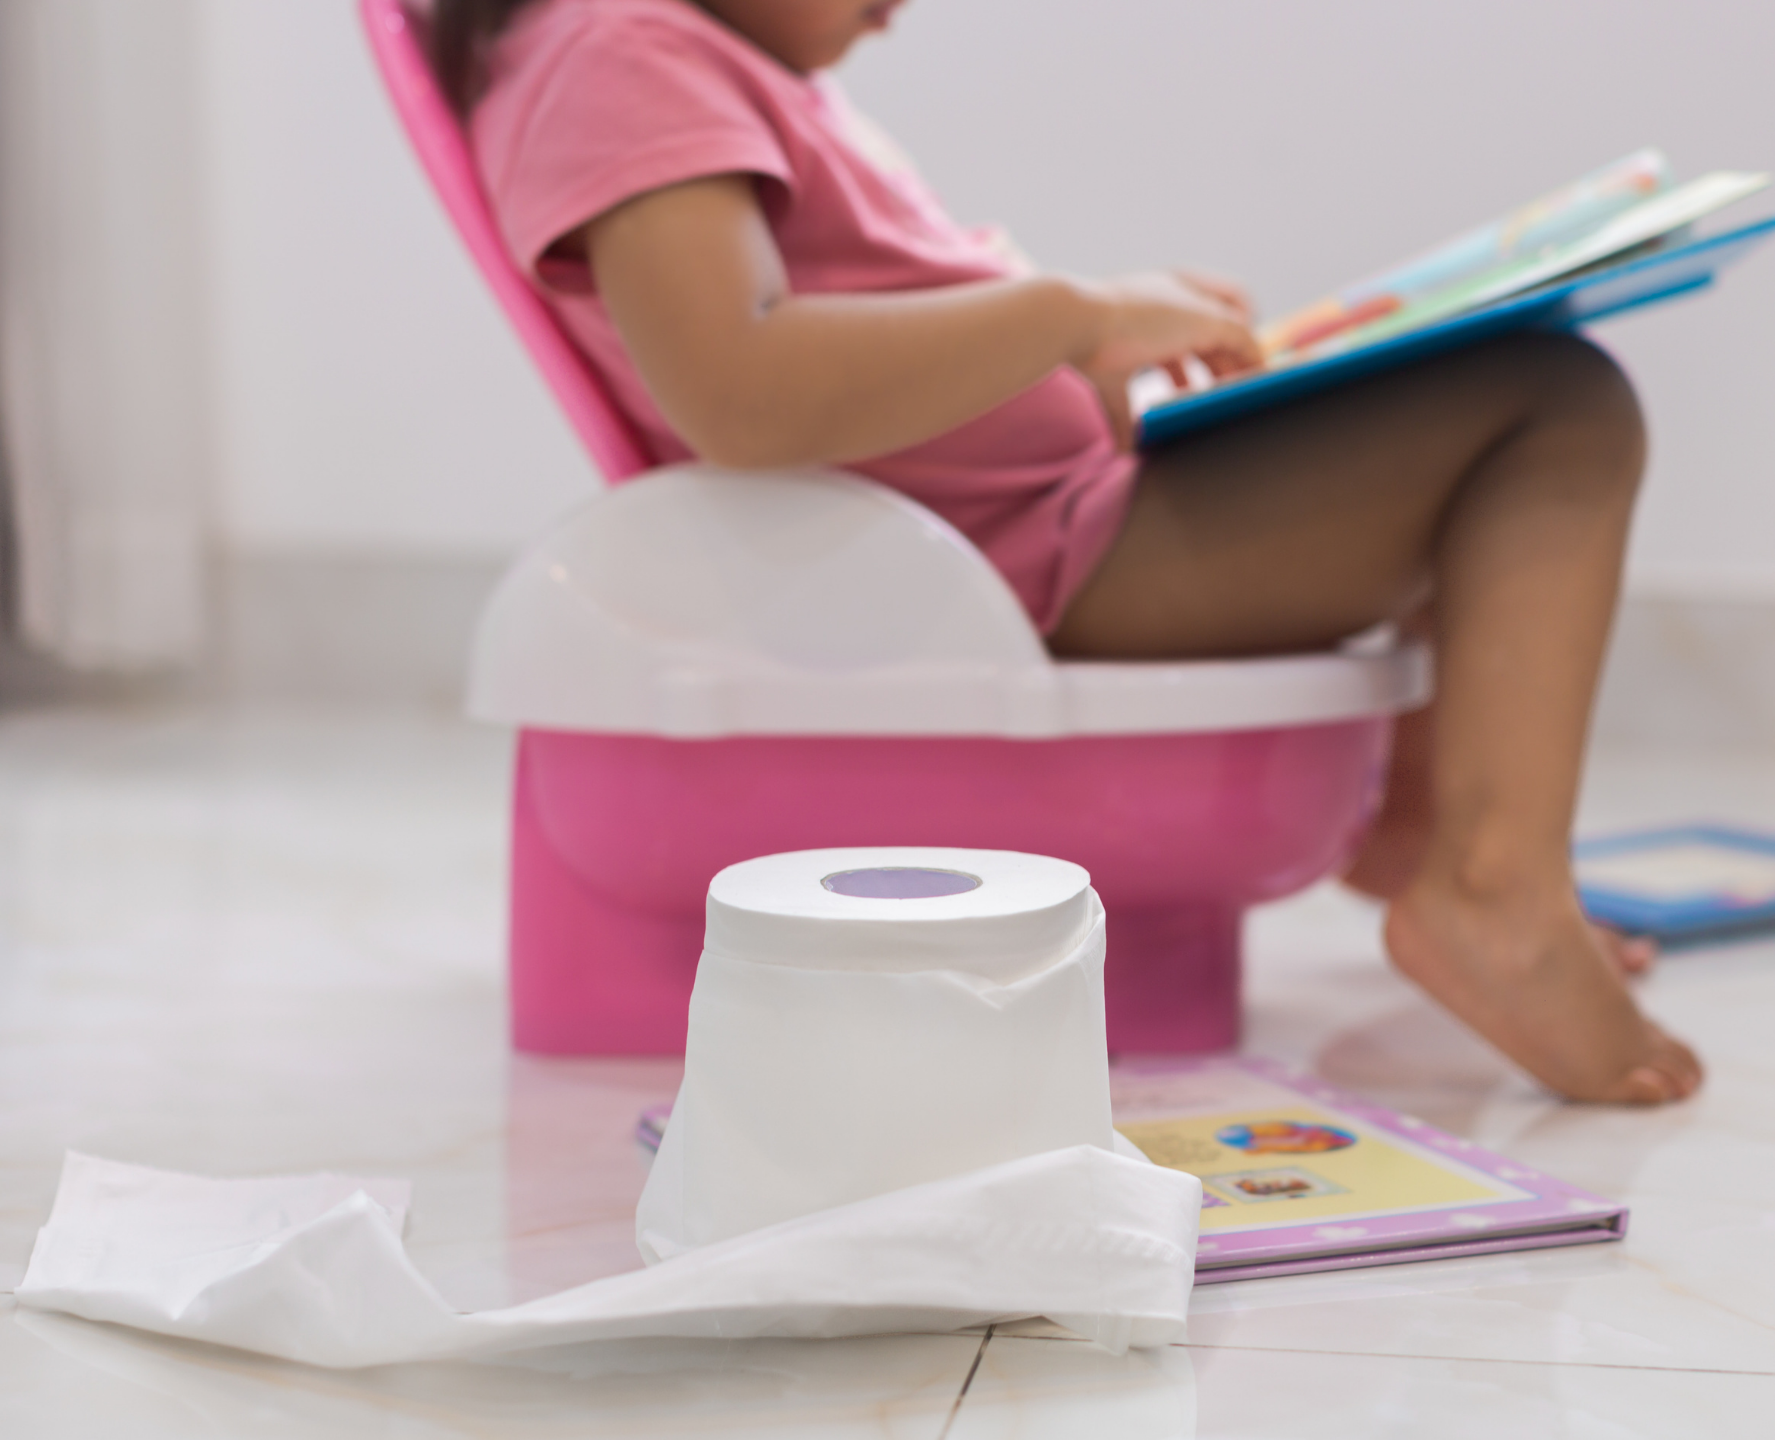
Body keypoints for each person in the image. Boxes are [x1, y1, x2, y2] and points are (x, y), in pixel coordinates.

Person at [436, 0, 1703, 1104]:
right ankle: (1489, 891)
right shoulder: (623, 51)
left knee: (1452, 403)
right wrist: (1071, 316)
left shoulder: (676, 55)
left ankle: (1429, 829)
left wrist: (1093, 361)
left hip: (1042, 525)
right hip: (1030, 561)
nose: (903, 6)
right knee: (1555, 405)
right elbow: (743, 393)